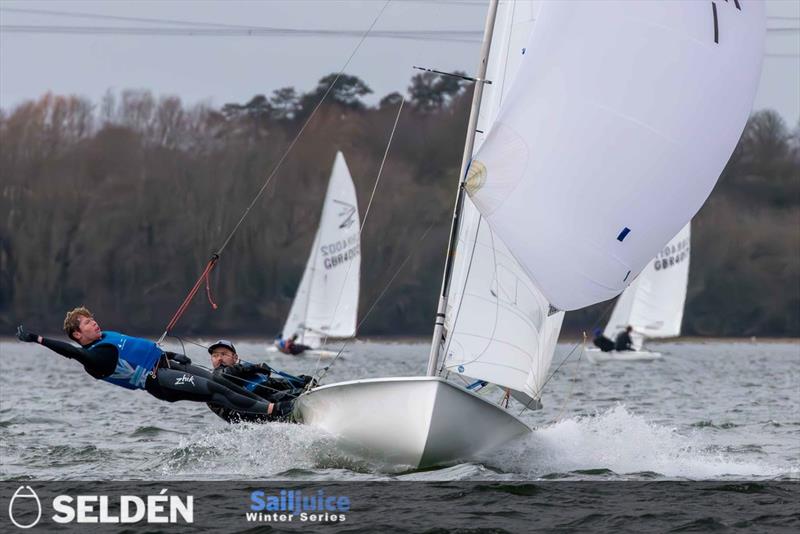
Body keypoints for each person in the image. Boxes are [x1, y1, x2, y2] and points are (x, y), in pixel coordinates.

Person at [15, 307, 291, 421]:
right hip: (158, 381)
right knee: (212, 388)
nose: (94, 322)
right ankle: (275, 411)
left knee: (221, 380)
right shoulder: (96, 359)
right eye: (87, 322)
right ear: (78, 335)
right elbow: (71, 353)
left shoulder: (107, 335)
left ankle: (272, 402)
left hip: (167, 363)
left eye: (92, 318)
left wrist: (173, 356)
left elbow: (141, 349)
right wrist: (39, 339)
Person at [205, 340, 313, 423]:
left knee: (302, 390)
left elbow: (275, 384)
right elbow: (222, 374)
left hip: (275, 410)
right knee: (299, 396)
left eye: (223, 354)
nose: (219, 358)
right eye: (215, 356)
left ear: (235, 357)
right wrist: (255, 367)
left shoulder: (245, 373)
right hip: (256, 420)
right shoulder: (212, 381)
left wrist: (300, 380)